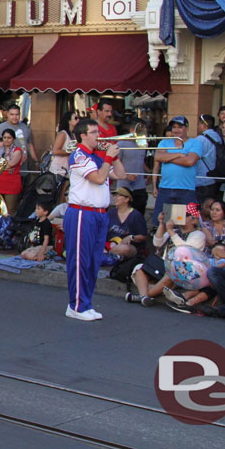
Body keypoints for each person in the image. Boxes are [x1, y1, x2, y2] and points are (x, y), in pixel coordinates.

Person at [62, 117, 125, 321]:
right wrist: (107, 158)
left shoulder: (98, 158)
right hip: (82, 213)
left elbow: (121, 175)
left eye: (99, 132)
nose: (99, 136)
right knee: (80, 261)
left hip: (99, 215)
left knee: (93, 261)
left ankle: (86, 303)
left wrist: (113, 157)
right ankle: (76, 305)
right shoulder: (78, 155)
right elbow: (98, 178)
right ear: (83, 135)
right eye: (94, 133)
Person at [150, 116, 202, 225]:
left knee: (191, 223)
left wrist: (168, 157)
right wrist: (179, 154)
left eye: (180, 127)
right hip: (165, 189)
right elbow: (158, 157)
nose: (176, 130)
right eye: (174, 127)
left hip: (187, 190)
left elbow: (190, 162)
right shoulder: (164, 142)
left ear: (187, 128)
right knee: (162, 223)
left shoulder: (196, 142)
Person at [116, 119, 149, 216]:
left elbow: (140, 160)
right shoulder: (121, 144)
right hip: (124, 186)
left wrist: (147, 172)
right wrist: (126, 176)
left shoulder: (143, 144)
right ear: (131, 130)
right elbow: (115, 164)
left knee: (139, 214)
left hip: (140, 185)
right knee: (124, 215)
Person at [105, 188, 147, 260]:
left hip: (129, 246)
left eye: (118, 196)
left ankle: (105, 255)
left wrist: (131, 237)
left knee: (125, 249)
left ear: (127, 199)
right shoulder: (110, 213)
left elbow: (143, 236)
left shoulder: (136, 215)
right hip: (110, 244)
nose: (115, 198)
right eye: (115, 196)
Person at [0, 130, 24, 216]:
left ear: (13, 139)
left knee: (10, 210)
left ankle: (9, 228)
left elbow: (11, 164)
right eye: (4, 138)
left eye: (9, 138)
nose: (6, 140)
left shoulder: (17, 151)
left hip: (11, 184)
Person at [194, 114, 225, 202]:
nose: (197, 127)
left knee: (196, 208)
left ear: (204, 125)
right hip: (213, 178)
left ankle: (196, 216)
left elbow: (192, 158)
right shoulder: (218, 137)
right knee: (209, 206)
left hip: (201, 180)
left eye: (198, 124)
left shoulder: (200, 139)